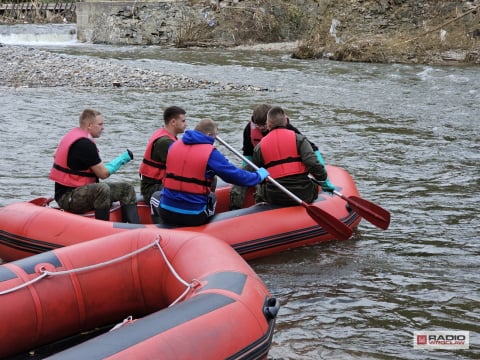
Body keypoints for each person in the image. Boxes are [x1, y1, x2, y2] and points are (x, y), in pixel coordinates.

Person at [156, 118, 269, 227]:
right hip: (192, 216)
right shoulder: (210, 153)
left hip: (166, 211)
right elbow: (234, 175)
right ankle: (208, 231)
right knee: (212, 197)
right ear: (210, 135)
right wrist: (258, 176)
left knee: (160, 196)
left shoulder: (173, 146)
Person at [229, 103, 335, 209]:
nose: (261, 128)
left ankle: (262, 201)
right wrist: (250, 177)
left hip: (280, 171)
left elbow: (312, 150)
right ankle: (236, 208)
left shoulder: (290, 131)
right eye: (258, 125)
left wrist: (324, 181)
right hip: (263, 165)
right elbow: (248, 154)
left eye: (263, 125)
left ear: (269, 122)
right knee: (241, 178)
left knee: (263, 186)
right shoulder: (249, 130)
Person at [49, 108, 140, 223]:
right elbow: (103, 174)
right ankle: (103, 227)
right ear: (90, 125)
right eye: (100, 124)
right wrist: (123, 158)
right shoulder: (84, 144)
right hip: (67, 197)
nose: (103, 128)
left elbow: (54, 154)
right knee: (102, 189)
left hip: (82, 190)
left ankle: (134, 227)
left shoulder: (72, 135)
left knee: (126, 189)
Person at [139, 106, 187, 219]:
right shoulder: (165, 142)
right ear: (173, 122)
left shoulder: (168, 137)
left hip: (160, 183)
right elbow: (182, 169)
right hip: (153, 188)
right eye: (183, 121)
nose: (186, 124)